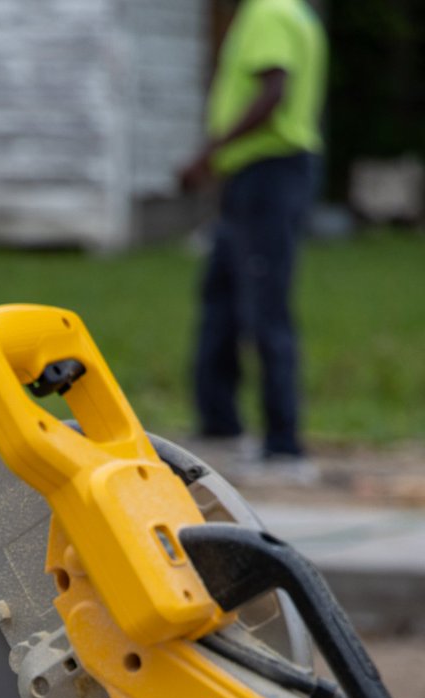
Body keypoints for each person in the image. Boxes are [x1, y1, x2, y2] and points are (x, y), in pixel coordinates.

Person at [180, 0, 327, 477]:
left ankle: (284, 445)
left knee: (265, 306)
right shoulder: (290, 12)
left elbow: (273, 92)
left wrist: (208, 152)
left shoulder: (269, 11)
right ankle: (219, 425)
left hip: (269, 171)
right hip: (250, 174)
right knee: (220, 297)